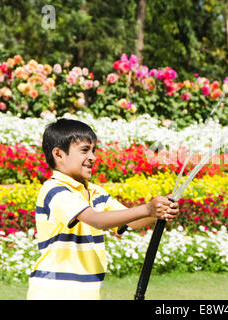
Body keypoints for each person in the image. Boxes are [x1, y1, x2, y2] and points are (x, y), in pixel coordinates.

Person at [27, 118, 179, 300]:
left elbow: (133, 221)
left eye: (93, 151)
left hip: (88, 292)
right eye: (84, 150)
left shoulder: (95, 193)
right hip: (54, 291)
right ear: (58, 154)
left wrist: (159, 213)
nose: (92, 157)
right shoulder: (54, 190)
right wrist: (148, 209)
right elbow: (97, 220)